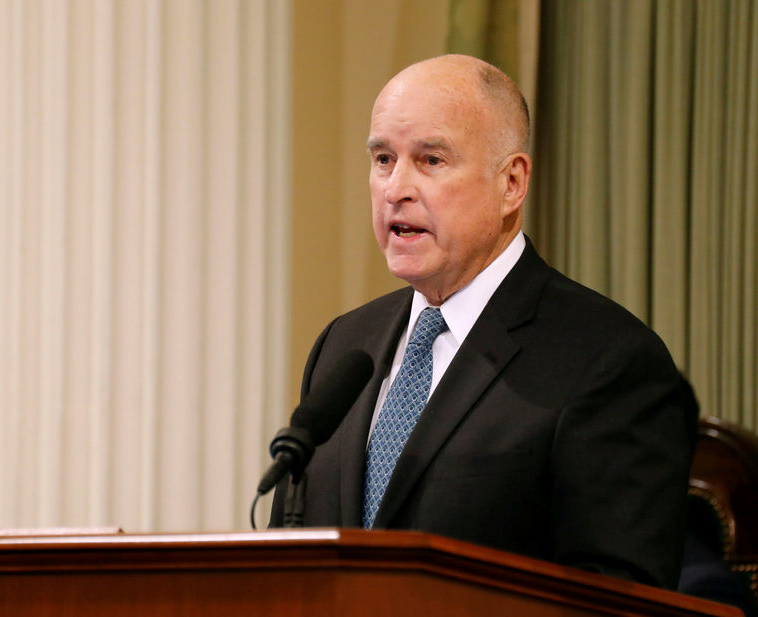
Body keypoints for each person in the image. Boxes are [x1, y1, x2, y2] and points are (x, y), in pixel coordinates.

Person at [271, 54, 697, 590]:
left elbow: (618, 595)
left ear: (512, 183)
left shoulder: (608, 361)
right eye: (383, 158)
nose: (395, 187)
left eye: (431, 160)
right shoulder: (343, 345)